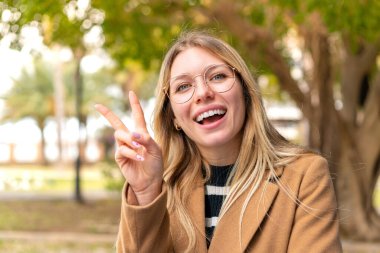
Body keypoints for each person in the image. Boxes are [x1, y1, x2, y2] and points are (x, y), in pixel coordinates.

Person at [95, 31, 342, 253]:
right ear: (173, 118)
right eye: (183, 87)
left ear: (245, 93)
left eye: (218, 76)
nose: (203, 93)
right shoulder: (161, 192)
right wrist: (147, 192)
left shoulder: (304, 176)